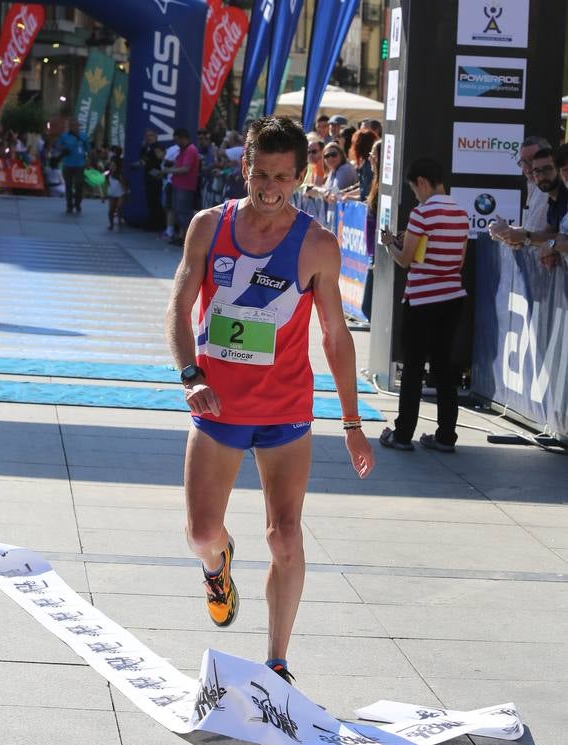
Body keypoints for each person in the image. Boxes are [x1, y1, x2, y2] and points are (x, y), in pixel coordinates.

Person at [165, 116, 374, 684]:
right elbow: (179, 306)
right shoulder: (209, 227)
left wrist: (352, 422)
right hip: (217, 408)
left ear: (302, 175)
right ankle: (218, 565)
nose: (271, 188)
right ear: (245, 167)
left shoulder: (317, 245)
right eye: (262, 174)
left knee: (285, 534)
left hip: (285, 411)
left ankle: (278, 660)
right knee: (202, 533)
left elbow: (334, 336)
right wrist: (191, 376)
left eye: (284, 177)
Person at [379, 157, 469, 453]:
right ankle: (446, 436)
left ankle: (403, 434)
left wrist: (391, 244)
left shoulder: (422, 213)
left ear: (421, 182)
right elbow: (457, 261)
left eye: (414, 190)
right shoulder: (460, 212)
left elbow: (405, 260)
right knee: (444, 368)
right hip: (452, 296)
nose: (415, 196)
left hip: (421, 298)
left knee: (414, 368)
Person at [491, 148, 567, 250]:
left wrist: (525, 237)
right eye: (536, 171)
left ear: (558, 170)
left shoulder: (564, 197)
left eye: (547, 169)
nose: (542, 176)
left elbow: (559, 240)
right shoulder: (553, 200)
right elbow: (547, 235)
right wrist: (511, 234)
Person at [490, 136, 552, 244]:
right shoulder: (533, 186)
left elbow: (540, 237)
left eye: (532, 160)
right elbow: (531, 232)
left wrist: (513, 234)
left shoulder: (553, 190)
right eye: (523, 161)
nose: (528, 168)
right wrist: (506, 232)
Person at [167, 127, 200, 245]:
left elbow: (186, 169)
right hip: (178, 184)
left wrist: (168, 170)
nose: (176, 143)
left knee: (184, 212)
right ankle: (181, 236)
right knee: (178, 210)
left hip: (185, 186)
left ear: (183, 138)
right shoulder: (183, 150)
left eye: (177, 140)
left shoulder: (190, 150)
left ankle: (186, 238)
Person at [361, 139, 381, 321]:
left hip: (378, 252)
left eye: (373, 155)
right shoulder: (375, 183)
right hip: (373, 253)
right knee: (367, 308)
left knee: (367, 307)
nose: (370, 159)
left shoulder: (384, 188)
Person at [55, 117, 90, 214]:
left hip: (80, 165)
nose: (75, 127)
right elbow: (57, 146)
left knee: (79, 185)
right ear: (70, 127)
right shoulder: (64, 136)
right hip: (67, 164)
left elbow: (88, 149)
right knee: (68, 185)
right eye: (73, 126)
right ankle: (69, 205)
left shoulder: (83, 136)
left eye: (77, 126)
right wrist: (63, 149)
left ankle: (78, 204)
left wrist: (88, 161)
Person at [105, 156, 127, 230]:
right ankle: (111, 224)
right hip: (112, 193)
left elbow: (123, 184)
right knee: (111, 210)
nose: (112, 167)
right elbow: (107, 184)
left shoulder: (119, 175)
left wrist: (126, 192)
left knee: (119, 208)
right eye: (111, 166)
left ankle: (120, 221)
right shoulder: (108, 174)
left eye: (113, 166)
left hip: (120, 193)